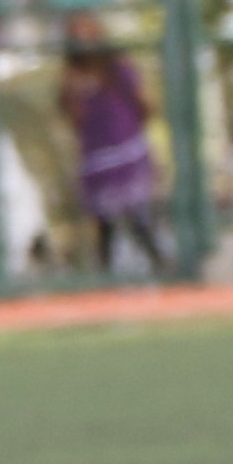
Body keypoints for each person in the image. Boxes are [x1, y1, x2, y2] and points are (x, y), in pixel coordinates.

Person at [62, 16, 168, 273]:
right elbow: (73, 119)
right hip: (98, 160)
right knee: (105, 225)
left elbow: (145, 104)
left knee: (140, 218)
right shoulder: (71, 77)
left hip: (128, 152)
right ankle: (106, 279)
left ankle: (164, 272)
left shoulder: (118, 67)